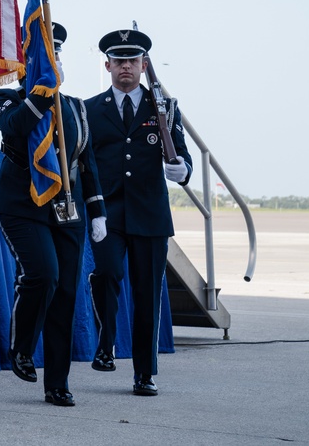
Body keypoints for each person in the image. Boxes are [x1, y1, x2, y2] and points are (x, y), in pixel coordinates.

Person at [0, 23, 107, 407]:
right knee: (44, 274)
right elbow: (13, 129)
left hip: (66, 208)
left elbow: (86, 162)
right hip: (22, 205)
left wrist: (97, 212)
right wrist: (40, 94)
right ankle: (22, 347)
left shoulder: (74, 106)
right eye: (43, 56)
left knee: (67, 293)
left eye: (55, 56)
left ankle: (57, 383)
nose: (51, 62)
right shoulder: (6, 97)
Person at [85, 28, 193, 396]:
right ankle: (107, 342)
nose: (126, 67)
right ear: (108, 65)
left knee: (147, 295)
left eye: (133, 60)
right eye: (119, 61)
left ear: (144, 65)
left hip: (149, 215)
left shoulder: (163, 107)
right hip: (108, 212)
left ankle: (144, 373)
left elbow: (181, 152)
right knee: (106, 273)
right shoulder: (89, 109)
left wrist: (183, 170)